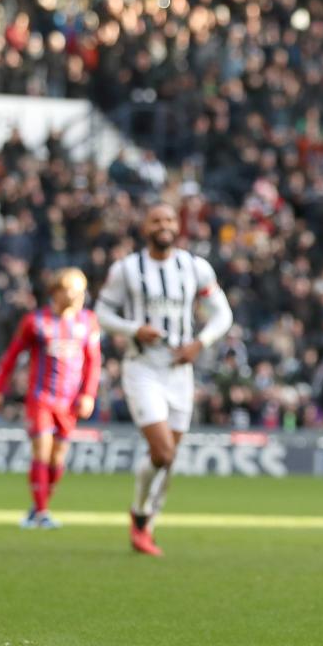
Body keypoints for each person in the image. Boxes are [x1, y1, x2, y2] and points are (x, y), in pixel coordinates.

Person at [95, 203, 233, 556]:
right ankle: (139, 516)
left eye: (169, 219)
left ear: (178, 226)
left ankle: (147, 524)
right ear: (145, 227)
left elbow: (223, 314)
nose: (164, 225)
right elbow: (102, 312)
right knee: (163, 450)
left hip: (179, 372)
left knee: (167, 459)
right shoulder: (126, 269)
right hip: (142, 368)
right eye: (156, 219)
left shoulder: (194, 267)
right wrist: (133, 329)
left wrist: (199, 343)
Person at [0, 268, 101, 529]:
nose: (77, 295)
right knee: (42, 449)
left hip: (70, 401)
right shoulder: (35, 321)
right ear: (56, 292)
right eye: (71, 289)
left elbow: (93, 362)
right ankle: (41, 513)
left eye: (80, 290)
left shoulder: (88, 322)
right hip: (41, 398)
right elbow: (12, 355)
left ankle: (39, 506)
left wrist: (89, 394)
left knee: (58, 458)